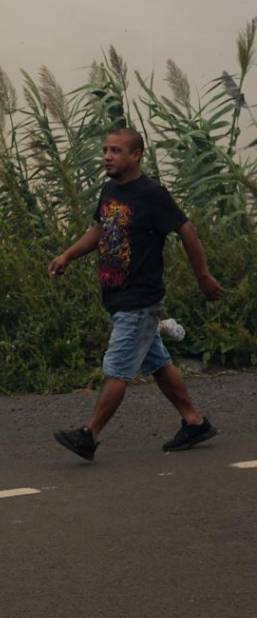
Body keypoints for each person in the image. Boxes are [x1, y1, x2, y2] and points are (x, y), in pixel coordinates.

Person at [48, 127, 226, 461]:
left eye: (116, 151)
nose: (107, 156)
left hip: (141, 298)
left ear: (136, 156)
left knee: (117, 367)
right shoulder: (110, 190)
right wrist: (68, 255)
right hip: (117, 294)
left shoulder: (152, 194)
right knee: (157, 361)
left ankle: (89, 435)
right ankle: (194, 421)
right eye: (105, 150)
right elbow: (99, 230)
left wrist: (202, 275)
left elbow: (186, 229)